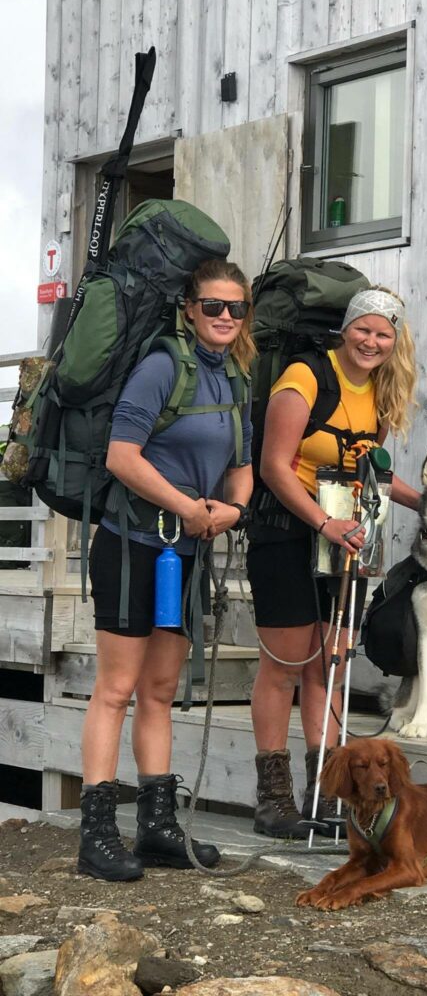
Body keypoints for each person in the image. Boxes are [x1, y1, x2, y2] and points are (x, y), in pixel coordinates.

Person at [79, 259, 256, 881]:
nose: (226, 318)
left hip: (188, 551)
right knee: (117, 688)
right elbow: (122, 457)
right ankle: (97, 834)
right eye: (214, 306)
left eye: (237, 308)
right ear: (188, 307)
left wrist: (232, 509)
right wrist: (187, 507)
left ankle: (156, 828)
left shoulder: (235, 378)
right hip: (132, 545)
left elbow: (243, 464)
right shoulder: (161, 367)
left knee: (159, 690)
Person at [246, 287, 420, 838]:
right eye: (363, 329)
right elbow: (273, 466)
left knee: (332, 668)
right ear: (346, 329)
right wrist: (322, 523)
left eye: (383, 333)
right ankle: (273, 799)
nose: (371, 341)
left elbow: (375, 476)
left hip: (345, 544)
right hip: (287, 535)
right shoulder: (304, 378)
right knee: (285, 667)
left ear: (396, 342)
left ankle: (327, 794)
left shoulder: (383, 394)